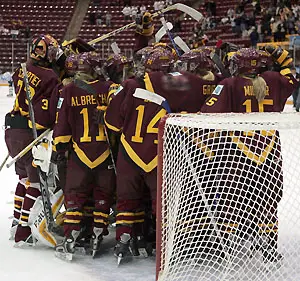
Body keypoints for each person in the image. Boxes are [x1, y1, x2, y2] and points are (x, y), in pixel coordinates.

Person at [104, 43, 224, 263]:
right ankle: (165, 245)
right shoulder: (182, 85)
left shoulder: (130, 85)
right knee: (161, 203)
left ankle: (124, 239)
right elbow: (211, 85)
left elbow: (112, 122)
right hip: (161, 153)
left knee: (126, 200)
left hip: (130, 151)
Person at [201, 47, 298, 263]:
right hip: (269, 147)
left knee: (234, 196)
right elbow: (291, 78)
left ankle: (227, 244)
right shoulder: (273, 79)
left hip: (237, 150)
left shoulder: (229, 84)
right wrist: (281, 57)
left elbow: (207, 113)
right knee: (268, 197)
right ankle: (269, 245)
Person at [53, 51, 115, 258]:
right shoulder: (109, 89)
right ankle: (98, 232)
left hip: (79, 152)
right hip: (104, 151)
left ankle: (71, 235)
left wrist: (59, 147)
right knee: (102, 195)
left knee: (75, 195)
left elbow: (61, 123)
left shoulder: (68, 90)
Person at [4, 34, 61, 246]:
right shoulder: (50, 77)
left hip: (12, 130)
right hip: (31, 132)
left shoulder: (23, 67)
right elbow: (48, 112)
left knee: (23, 180)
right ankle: (23, 231)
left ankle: (16, 222)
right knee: (36, 182)